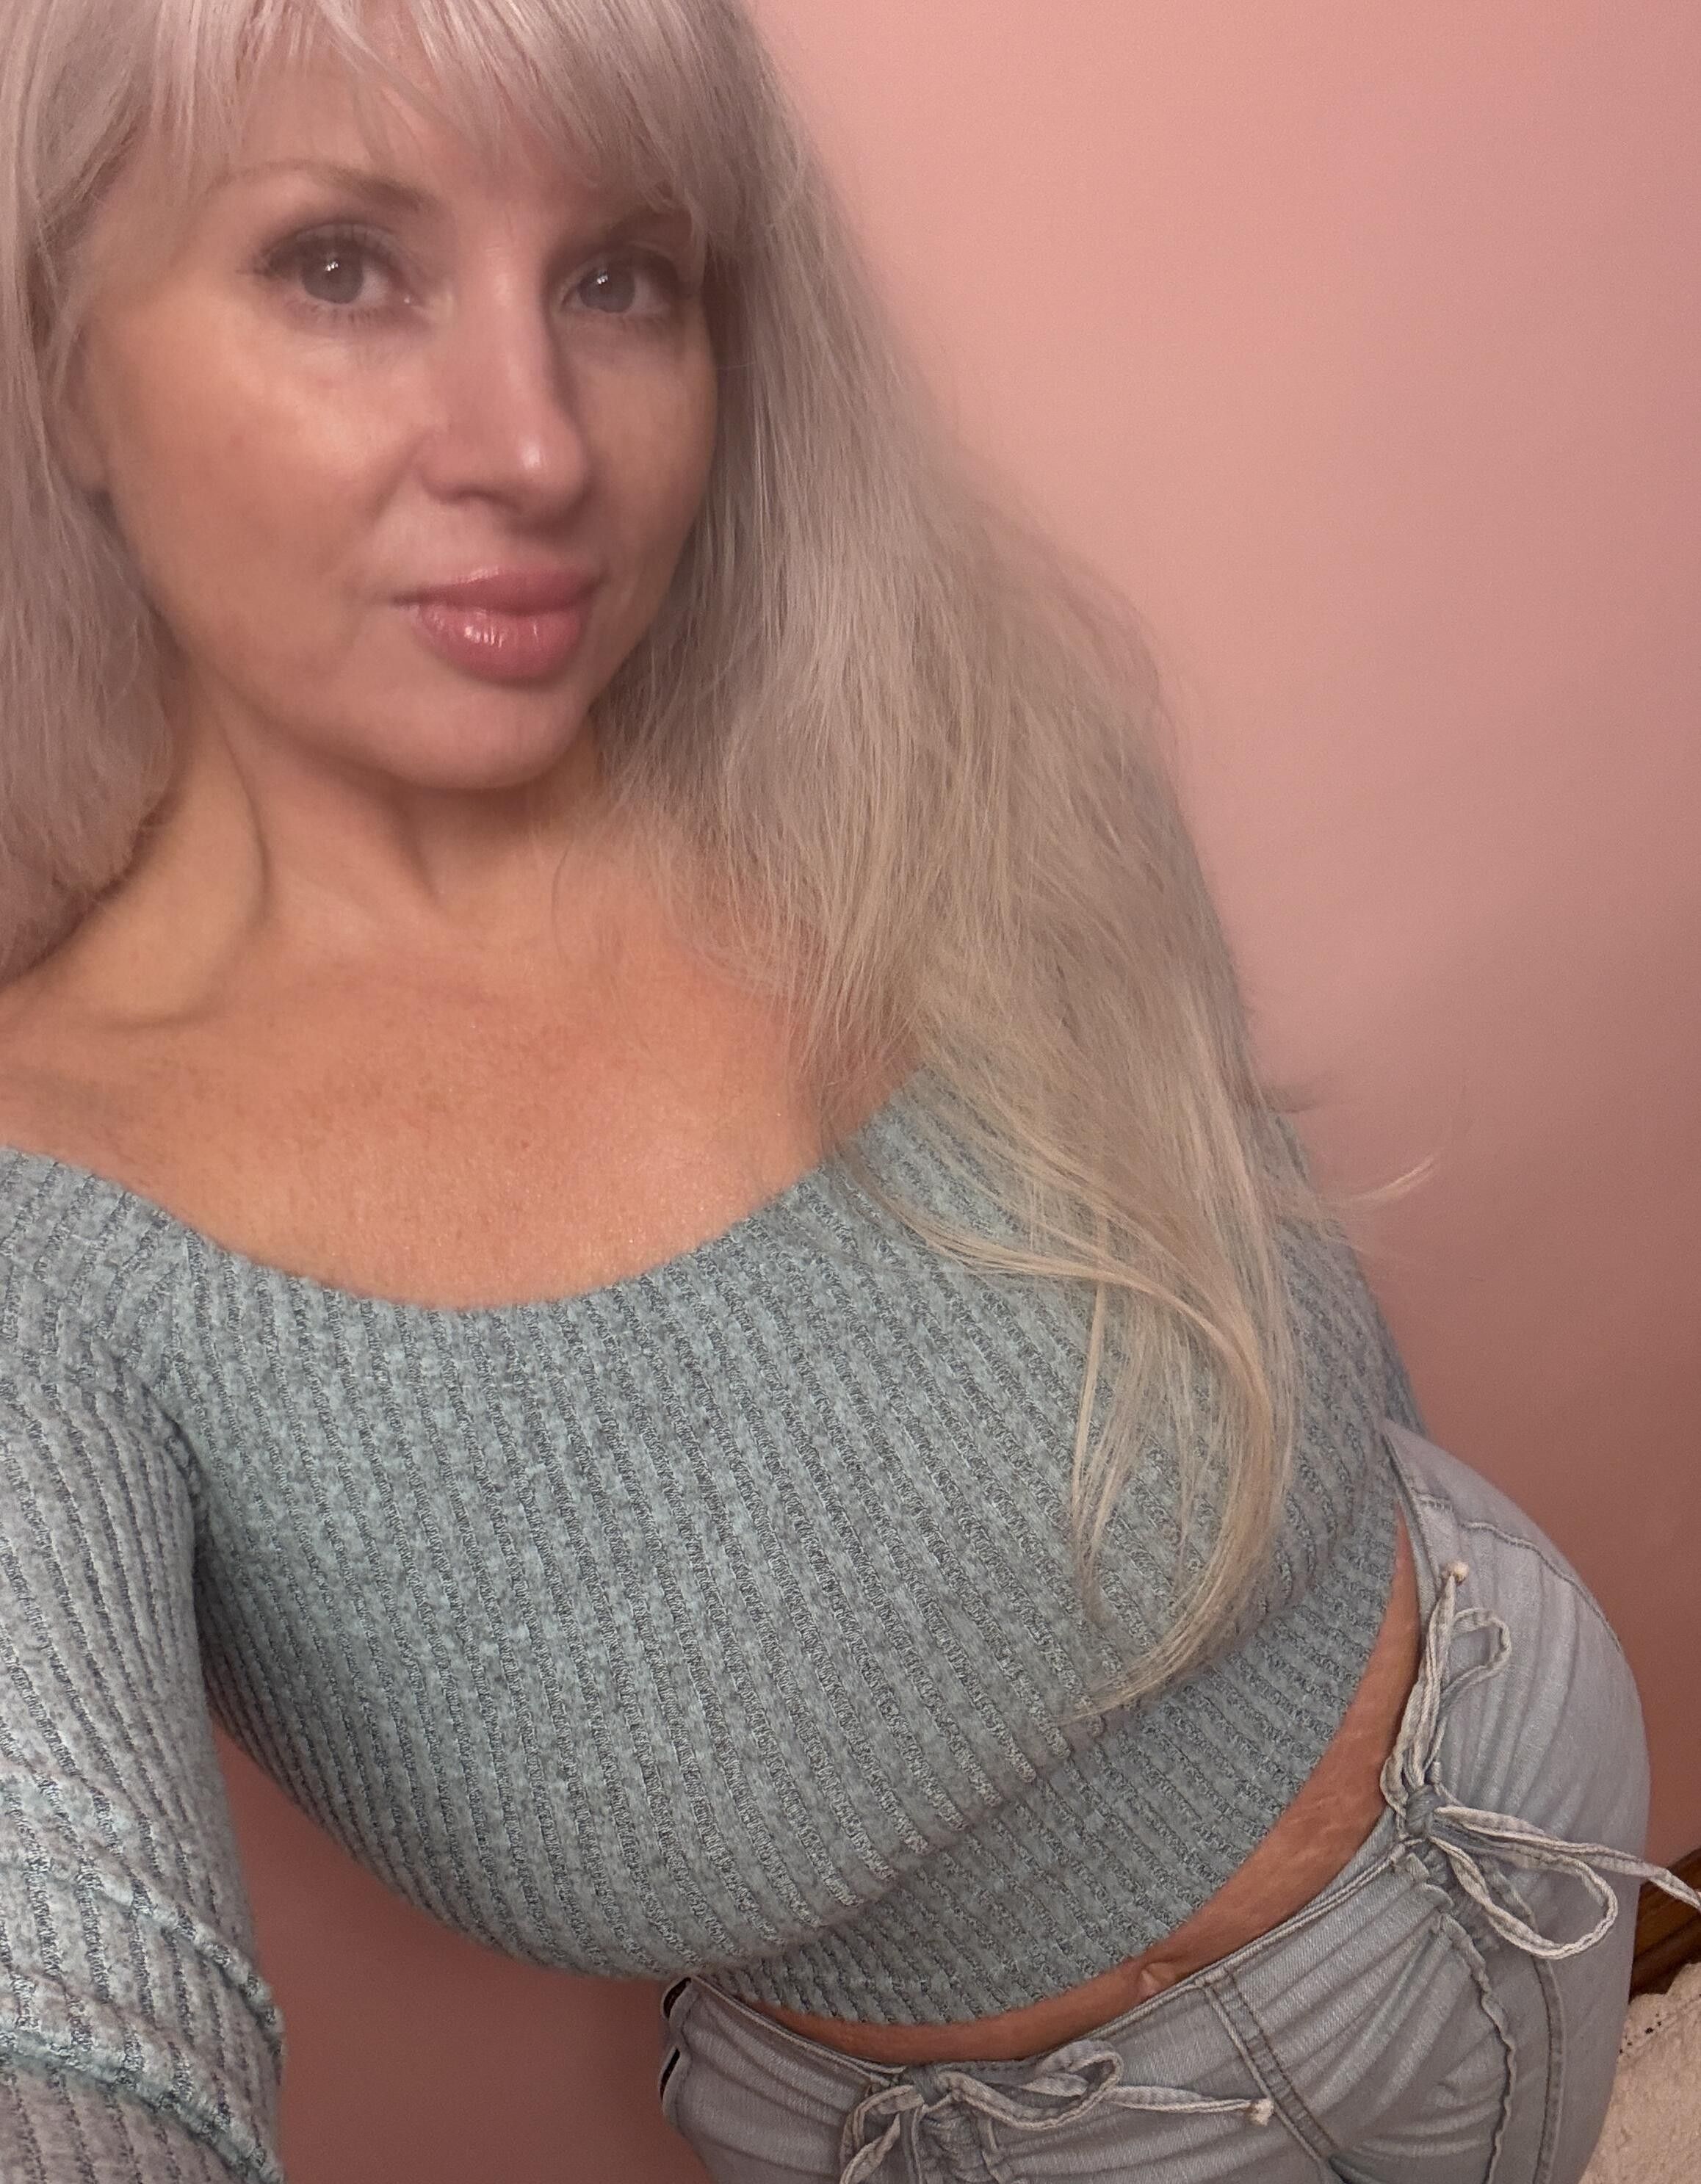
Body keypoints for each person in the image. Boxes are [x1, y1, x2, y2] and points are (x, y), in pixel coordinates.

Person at [0, 1, 1692, 2179]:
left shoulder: (925, 721)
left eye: (620, 277)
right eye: (340, 264)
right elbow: (75, 2012)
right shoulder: (53, 1230)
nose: (537, 444)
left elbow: (1275, 1258)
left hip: (1518, 1780)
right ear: (68, 365)